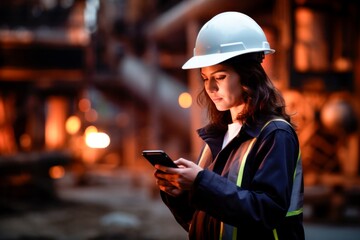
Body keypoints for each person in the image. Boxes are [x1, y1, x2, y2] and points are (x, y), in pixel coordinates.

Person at [153, 11, 304, 240]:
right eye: (205, 78)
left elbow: (266, 212)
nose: (210, 88)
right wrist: (180, 194)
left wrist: (201, 182)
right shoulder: (219, 135)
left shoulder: (276, 135)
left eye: (220, 77)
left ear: (248, 76)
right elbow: (201, 220)